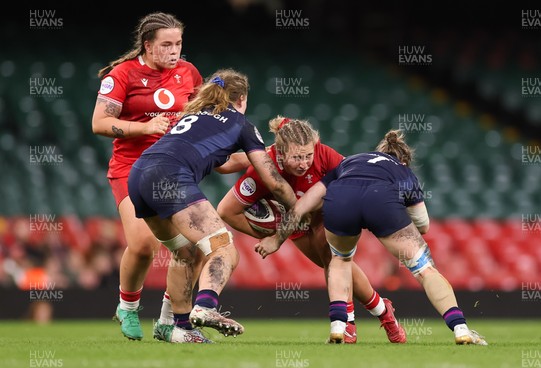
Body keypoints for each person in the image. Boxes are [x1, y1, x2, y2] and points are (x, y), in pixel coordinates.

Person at [92, 12, 249, 343]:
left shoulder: (188, 73)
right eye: (166, 44)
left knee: (195, 248)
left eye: (178, 43)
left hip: (176, 167)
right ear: (148, 46)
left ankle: (170, 322)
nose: (174, 50)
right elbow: (99, 123)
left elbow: (204, 118)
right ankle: (127, 307)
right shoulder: (122, 75)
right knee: (144, 244)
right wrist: (144, 128)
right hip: (131, 167)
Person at [256, 130, 488, 345]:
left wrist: (276, 240)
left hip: (341, 199)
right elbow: (424, 225)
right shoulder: (403, 171)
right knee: (424, 269)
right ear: (403, 160)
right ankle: (461, 330)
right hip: (382, 202)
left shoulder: (350, 162)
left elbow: (302, 206)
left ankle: (339, 326)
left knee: (339, 260)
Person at [127, 68, 298, 341]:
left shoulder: (194, 115)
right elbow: (274, 182)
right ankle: (206, 307)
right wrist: (299, 209)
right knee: (224, 248)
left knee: (185, 253)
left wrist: (262, 155)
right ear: (241, 98)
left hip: (139, 175)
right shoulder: (242, 124)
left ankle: (176, 327)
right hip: (171, 177)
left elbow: (224, 164)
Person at [217, 116, 406, 343]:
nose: (304, 163)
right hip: (295, 223)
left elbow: (352, 182)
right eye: (297, 157)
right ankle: (384, 313)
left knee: (332, 256)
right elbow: (227, 211)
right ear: (280, 152)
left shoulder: (324, 154)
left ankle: (348, 325)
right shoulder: (264, 169)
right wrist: (268, 233)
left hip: (328, 211)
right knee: (334, 267)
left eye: (308, 156)